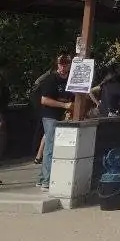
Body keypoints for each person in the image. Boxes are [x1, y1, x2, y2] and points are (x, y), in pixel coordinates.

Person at [37, 55, 73, 189]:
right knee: (50, 146)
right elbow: (44, 100)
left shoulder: (71, 79)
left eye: (66, 64)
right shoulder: (52, 79)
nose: (64, 66)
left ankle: (41, 178)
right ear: (57, 65)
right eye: (61, 64)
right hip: (50, 115)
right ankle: (47, 180)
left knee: (55, 146)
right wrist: (64, 106)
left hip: (63, 116)